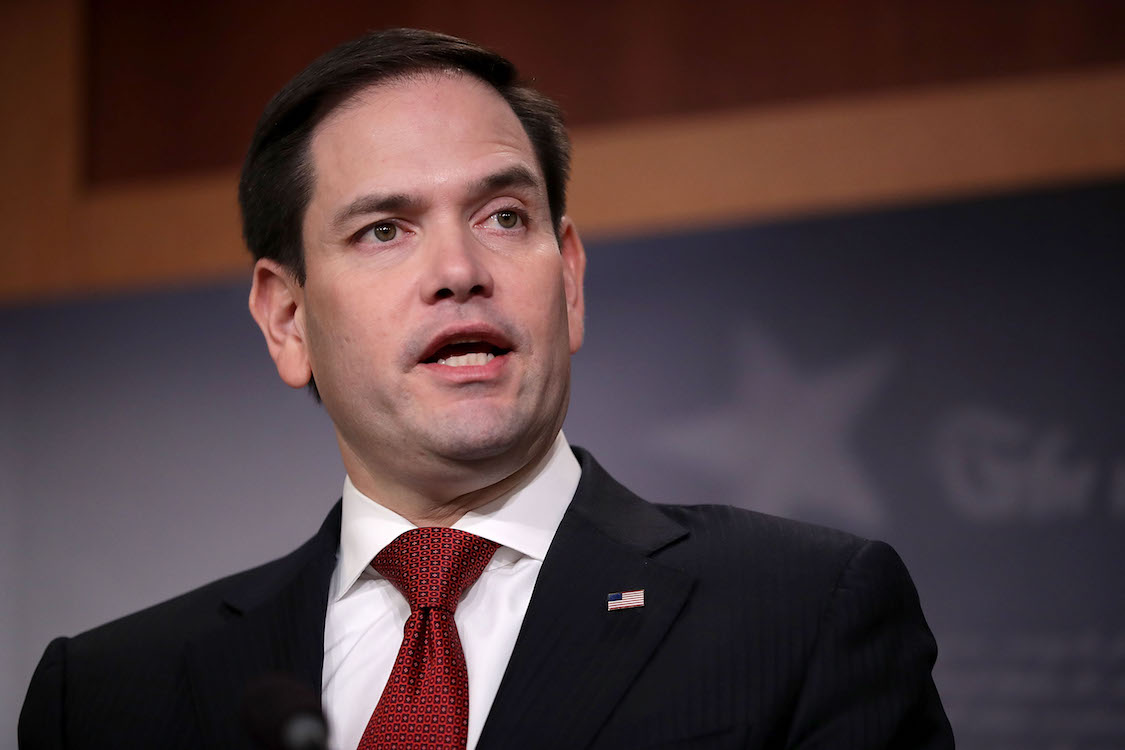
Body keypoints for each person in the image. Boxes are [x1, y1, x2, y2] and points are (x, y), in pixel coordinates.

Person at [19, 28, 954, 749]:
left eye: (503, 216)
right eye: (384, 230)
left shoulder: (800, 612)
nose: (460, 271)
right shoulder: (107, 697)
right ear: (288, 318)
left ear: (569, 280)